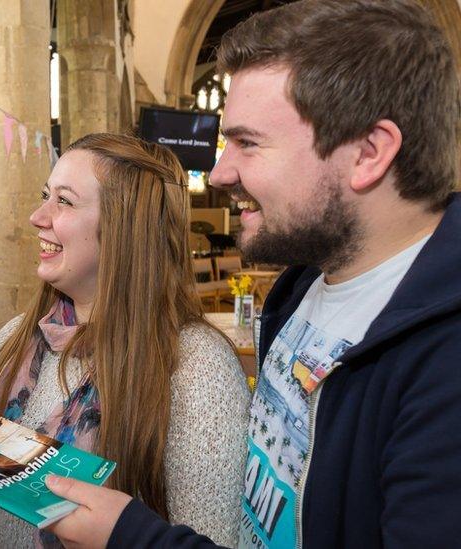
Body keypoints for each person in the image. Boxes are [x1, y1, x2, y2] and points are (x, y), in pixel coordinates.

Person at [43, 1, 461, 547]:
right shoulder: (302, 289)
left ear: (368, 153)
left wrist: (135, 538)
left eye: (247, 142)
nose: (219, 173)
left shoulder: (443, 362)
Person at [0, 133, 251, 548]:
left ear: (124, 228)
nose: (37, 216)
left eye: (64, 200)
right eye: (46, 195)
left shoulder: (196, 367)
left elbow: (209, 539)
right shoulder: (17, 338)